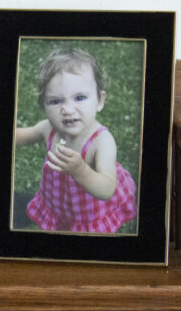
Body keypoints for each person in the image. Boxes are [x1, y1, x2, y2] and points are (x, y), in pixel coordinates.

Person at [15, 47, 137, 233]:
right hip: (60, 203)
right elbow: (19, 136)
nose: (68, 109)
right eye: (56, 101)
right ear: (43, 105)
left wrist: (80, 170)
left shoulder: (102, 141)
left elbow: (107, 188)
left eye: (80, 98)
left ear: (99, 100)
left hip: (90, 211)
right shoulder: (49, 129)